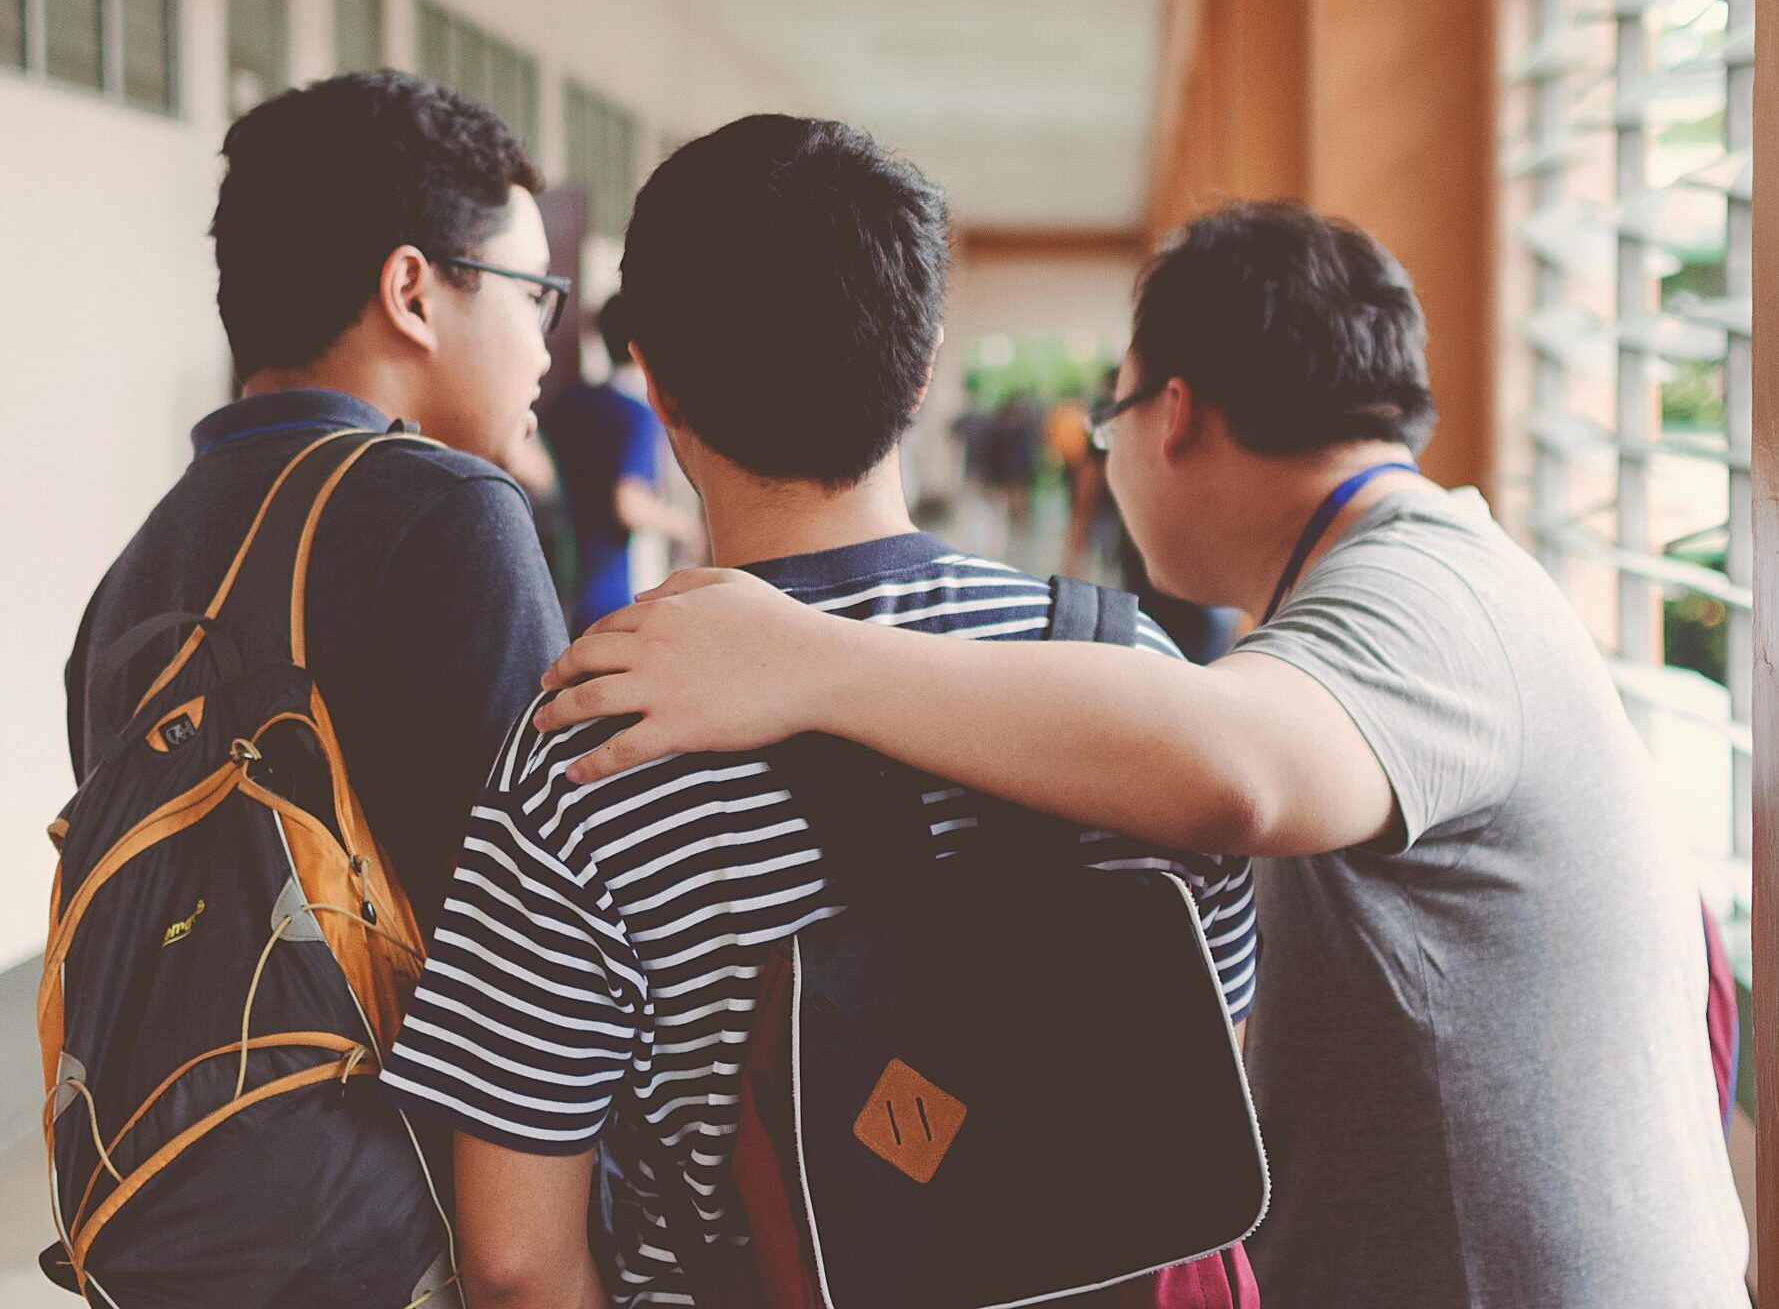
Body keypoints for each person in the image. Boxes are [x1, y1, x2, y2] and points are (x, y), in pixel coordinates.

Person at [537, 201, 1750, 1309]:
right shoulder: (1423, 571)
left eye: (1109, 414)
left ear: (1170, 415)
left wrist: (807, 661)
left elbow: (1235, 773)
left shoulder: (1427, 593)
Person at [377, 116, 1260, 1309]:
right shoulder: (1128, 682)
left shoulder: (596, 741)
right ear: (925, 360)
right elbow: (1212, 1073)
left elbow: (518, 1258)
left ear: (658, 381)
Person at [66, 70, 570, 937]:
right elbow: (549, 931)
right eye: (531, 293)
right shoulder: (453, 510)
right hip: (403, 1077)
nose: (543, 348)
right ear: (412, 292)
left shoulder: (134, 572)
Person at [543, 296, 703, 631]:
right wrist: (686, 528)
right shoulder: (638, 415)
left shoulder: (571, 401)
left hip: (554, 577)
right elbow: (628, 504)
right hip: (609, 589)